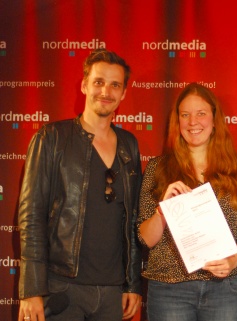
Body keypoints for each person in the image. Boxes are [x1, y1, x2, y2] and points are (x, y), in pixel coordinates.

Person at [17, 48, 143, 321]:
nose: (105, 91)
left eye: (115, 85)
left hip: (112, 293)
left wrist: (132, 284)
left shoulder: (129, 145)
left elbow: (133, 219)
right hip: (62, 287)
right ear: (84, 85)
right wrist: (31, 289)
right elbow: (31, 216)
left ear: (123, 93)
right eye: (98, 82)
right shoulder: (52, 138)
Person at [137, 82, 237, 321]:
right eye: (185, 115)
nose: (193, 122)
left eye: (201, 113)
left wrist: (232, 260)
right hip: (170, 288)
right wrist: (163, 211)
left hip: (224, 288)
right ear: (178, 121)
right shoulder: (158, 169)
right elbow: (146, 239)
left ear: (215, 120)